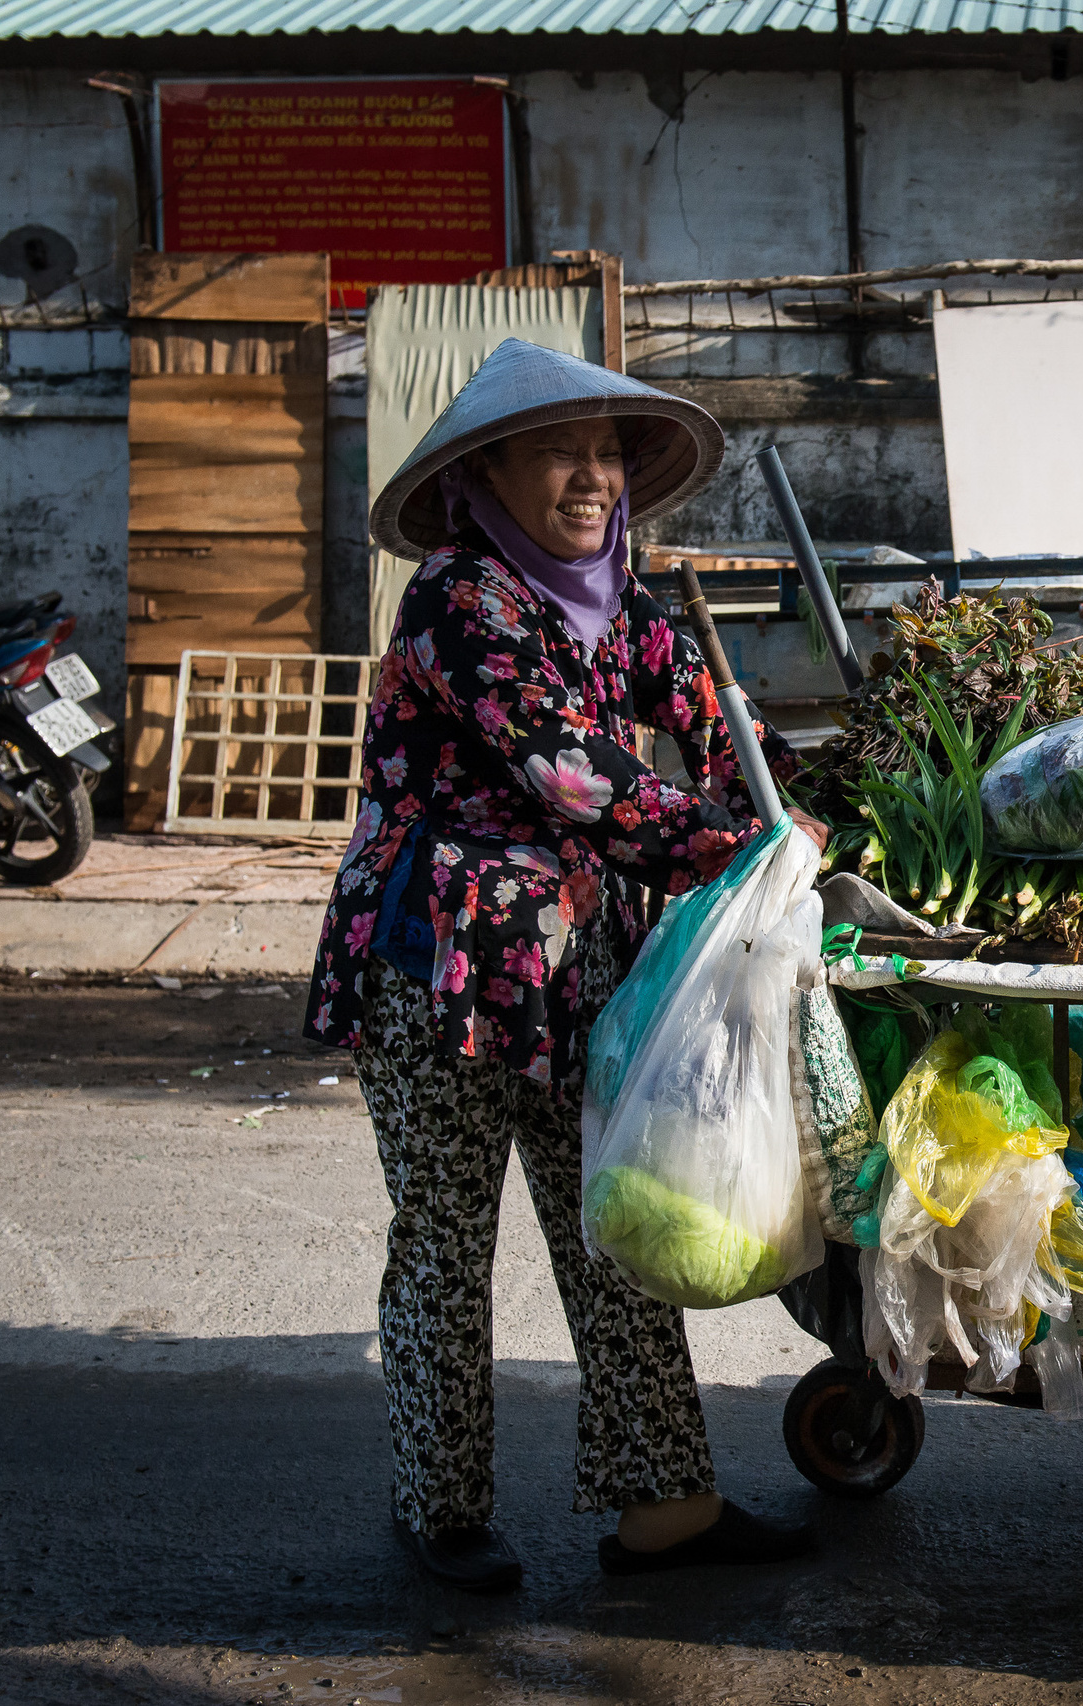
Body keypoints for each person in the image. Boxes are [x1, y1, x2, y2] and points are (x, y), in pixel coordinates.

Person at [304, 339, 825, 1591]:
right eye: (558, 452)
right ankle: (443, 1506)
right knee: (443, 1234)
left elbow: (712, 724)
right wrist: (731, 837)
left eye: (604, 452)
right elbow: (571, 773)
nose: (590, 477)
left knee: (618, 1217)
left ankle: (667, 1507)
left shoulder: (621, 596)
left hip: (580, 961)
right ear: (487, 471)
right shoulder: (460, 599)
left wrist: (802, 804)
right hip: (439, 964)